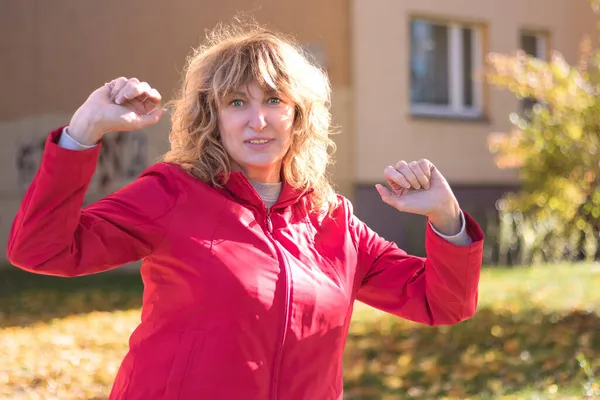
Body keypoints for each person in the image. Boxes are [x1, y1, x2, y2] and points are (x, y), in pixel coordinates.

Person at [7, 22, 484, 400]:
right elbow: (41, 251)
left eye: (274, 100)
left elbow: (441, 303)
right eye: (237, 102)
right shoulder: (171, 193)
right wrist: (82, 132)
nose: (257, 120)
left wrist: (447, 220)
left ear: (298, 115)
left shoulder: (332, 219)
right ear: (211, 117)